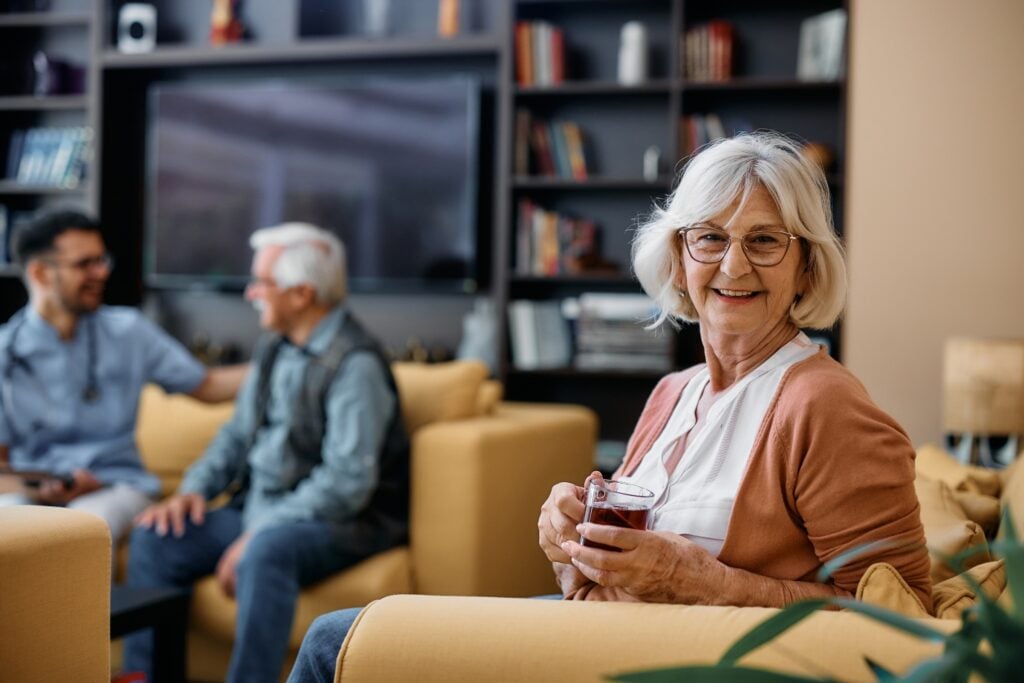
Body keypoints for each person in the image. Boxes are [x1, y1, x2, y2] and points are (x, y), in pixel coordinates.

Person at [286, 132, 932, 681]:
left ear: (808, 269)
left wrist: (707, 582)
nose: (734, 263)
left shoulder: (826, 403)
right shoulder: (673, 393)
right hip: (605, 634)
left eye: (765, 241)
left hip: (685, 662)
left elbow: (903, 625)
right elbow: (626, 567)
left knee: (331, 643)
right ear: (679, 259)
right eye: (709, 237)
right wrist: (570, 545)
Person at [123, 222, 410, 683]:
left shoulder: (356, 364)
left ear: (300, 294)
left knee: (266, 552)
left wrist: (258, 532)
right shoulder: (275, 348)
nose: (251, 292)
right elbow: (236, 435)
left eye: (262, 282)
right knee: (156, 538)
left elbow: (346, 485)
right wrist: (193, 490)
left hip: (344, 521)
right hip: (264, 508)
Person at [0, 209, 246, 544]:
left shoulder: (129, 332)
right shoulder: (5, 352)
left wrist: (280, 364)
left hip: (115, 485)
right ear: (41, 273)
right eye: (84, 264)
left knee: (80, 535)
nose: (101, 273)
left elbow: (207, 385)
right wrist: (38, 488)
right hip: (32, 489)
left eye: (102, 260)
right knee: (10, 531)